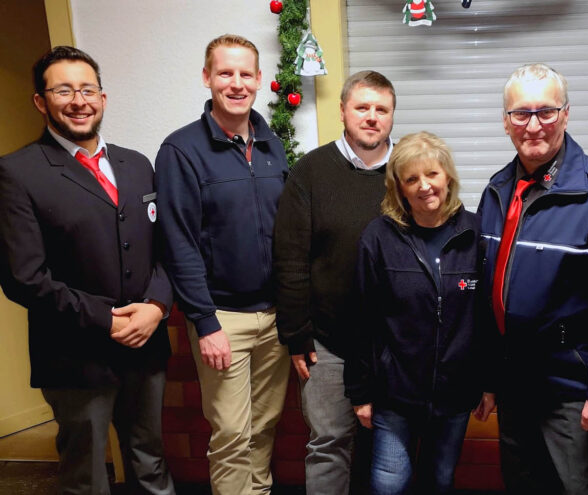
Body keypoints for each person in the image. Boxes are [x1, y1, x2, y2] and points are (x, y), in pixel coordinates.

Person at [0, 46, 174, 495]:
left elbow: (166, 249)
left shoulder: (137, 165)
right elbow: (24, 277)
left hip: (145, 348)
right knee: (88, 476)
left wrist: (157, 305)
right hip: (74, 355)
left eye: (87, 89)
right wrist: (105, 319)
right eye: (63, 90)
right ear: (41, 101)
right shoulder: (17, 173)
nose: (79, 101)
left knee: (150, 462)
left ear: (102, 97)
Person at [477, 63, 588, 494]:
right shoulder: (497, 191)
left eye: (546, 112)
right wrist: (488, 379)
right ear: (506, 122)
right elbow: (487, 293)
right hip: (515, 386)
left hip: (574, 393)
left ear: (567, 115)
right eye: (521, 114)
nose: (533, 125)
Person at [155, 34, 290, 495]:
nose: (236, 83)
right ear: (207, 77)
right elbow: (179, 242)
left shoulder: (273, 146)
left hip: (275, 318)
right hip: (222, 318)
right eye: (225, 73)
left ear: (259, 80)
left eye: (245, 74)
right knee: (232, 433)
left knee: (265, 426)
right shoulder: (181, 150)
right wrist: (204, 321)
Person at [344, 131, 497, 494]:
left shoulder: (476, 234)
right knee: (389, 483)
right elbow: (361, 320)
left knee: (439, 480)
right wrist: (360, 393)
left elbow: (488, 318)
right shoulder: (378, 238)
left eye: (432, 174)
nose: (424, 186)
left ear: (449, 177)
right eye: (412, 179)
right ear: (399, 187)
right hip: (395, 393)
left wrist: (490, 383)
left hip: (455, 393)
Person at [274, 70, 396, 495]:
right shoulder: (310, 172)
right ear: (343, 111)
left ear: (392, 116)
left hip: (395, 346)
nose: (371, 117)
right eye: (362, 107)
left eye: (381, 109)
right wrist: (296, 335)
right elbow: (290, 258)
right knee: (329, 444)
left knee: (390, 448)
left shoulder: (408, 172)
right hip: (328, 343)